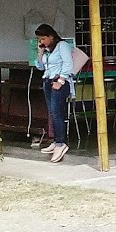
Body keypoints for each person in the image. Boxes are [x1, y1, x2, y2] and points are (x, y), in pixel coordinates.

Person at [34, 24, 74, 163]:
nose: (41, 41)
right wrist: (40, 52)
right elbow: (39, 66)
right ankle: (55, 141)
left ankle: (60, 143)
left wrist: (61, 80)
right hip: (48, 81)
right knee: (52, 113)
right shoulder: (47, 50)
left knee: (57, 113)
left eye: (43, 38)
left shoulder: (62, 46)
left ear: (51, 36)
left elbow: (68, 64)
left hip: (59, 82)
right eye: (39, 39)